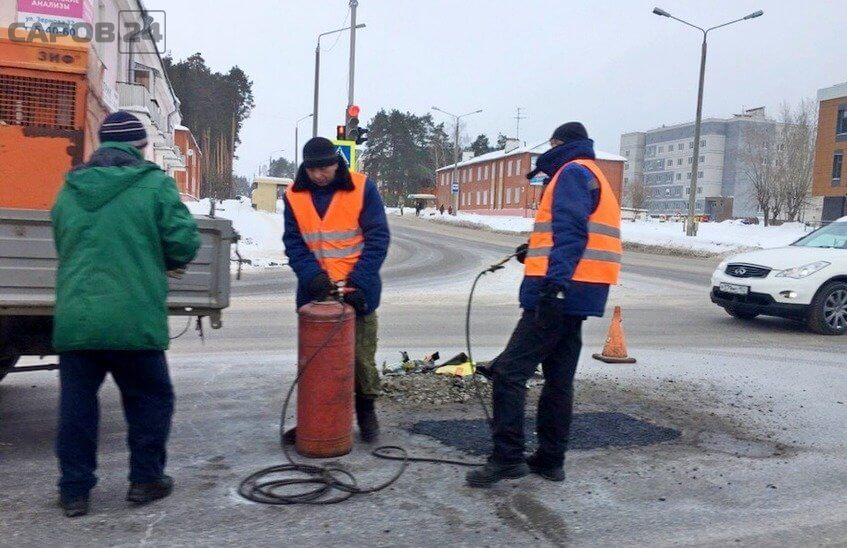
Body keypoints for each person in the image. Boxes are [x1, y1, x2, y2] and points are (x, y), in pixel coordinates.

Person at [51, 111, 201, 517]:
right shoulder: (154, 185)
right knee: (150, 398)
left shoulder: (71, 187)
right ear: (140, 146)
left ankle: (74, 491)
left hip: (78, 319)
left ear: (102, 145)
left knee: (77, 407)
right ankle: (145, 480)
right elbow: (183, 242)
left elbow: (62, 238)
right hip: (134, 318)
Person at [466, 122, 622, 487]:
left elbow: (571, 232)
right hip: (581, 293)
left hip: (558, 295)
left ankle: (507, 458)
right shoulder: (593, 173)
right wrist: (533, 250)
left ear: (558, 144)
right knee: (558, 378)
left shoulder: (570, 172)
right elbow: (567, 233)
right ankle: (551, 460)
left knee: (508, 373)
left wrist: (553, 286)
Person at [282, 137, 390, 443]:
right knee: (316, 363)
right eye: (313, 169)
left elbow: (378, 239)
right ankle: (316, 421)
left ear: (337, 161)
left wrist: (359, 282)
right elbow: (294, 243)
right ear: (306, 167)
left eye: (326, 167)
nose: (320, 174)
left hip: (358, 291)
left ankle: (366, 414)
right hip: (316, 294)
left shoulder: (361, 187)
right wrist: (311, 275)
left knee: (360, 359)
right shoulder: (294, 195)